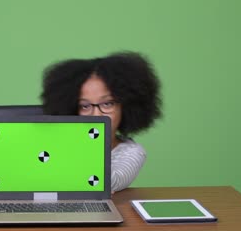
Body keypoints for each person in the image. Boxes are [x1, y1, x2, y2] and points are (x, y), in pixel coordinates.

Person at [40, 51, 162, 192]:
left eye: (107, 104)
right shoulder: (54, 143)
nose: (96, 115)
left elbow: (106, 184)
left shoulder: (131, 152)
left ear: (125, 106)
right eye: (85, 106)